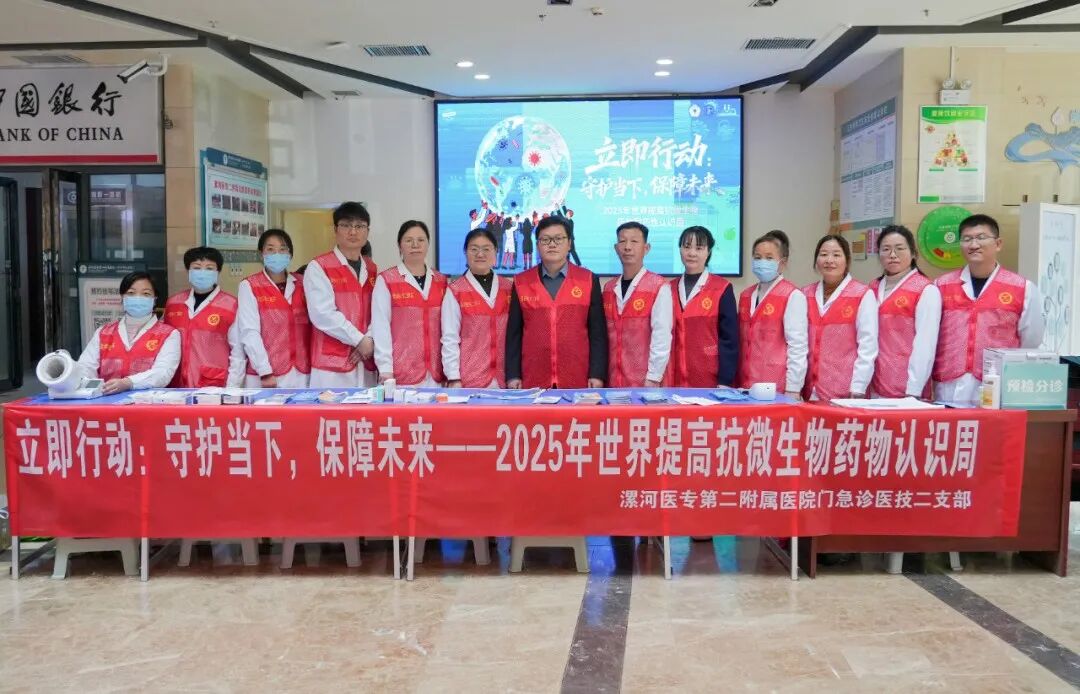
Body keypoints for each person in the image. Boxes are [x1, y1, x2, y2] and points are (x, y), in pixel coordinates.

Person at [933, 214, 1045, 403]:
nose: (973, 244)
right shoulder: (941, 285)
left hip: (997, 382)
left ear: (998, 244)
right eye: (967, 239)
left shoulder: (1021, 288)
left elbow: (1031, 340)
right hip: (949, 382)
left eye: (981, 237)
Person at [506, 216, 608, 389]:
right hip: (533, 376)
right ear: (538, 245)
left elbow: (597, 333)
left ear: (569, 244)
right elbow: (514, 334)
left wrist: (597, 374)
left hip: (578, 375)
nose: (552, 244)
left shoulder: (588, 280)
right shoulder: (522, 282)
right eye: (545, 239)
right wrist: (513, 374)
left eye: (558, 239)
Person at [304, 201, 378, 388]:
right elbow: (322, 314)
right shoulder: (319, 266)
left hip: (365, 359)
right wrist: (359, 340)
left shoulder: (372, 268)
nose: (353, 232)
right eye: (346, 225)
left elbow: (378, 311)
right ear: (335, 230)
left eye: (359, 226)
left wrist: (369, 339)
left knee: (367, 407)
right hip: (331, 365)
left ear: (367, 231)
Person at [370, 220, 448, 386]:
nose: (415, 245)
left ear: (428, 244)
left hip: (437, 372)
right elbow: (380, 326)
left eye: (421, 240)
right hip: (401, 372)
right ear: (399, 245)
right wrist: (385, 368)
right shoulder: (387, 280)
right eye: (408, 240)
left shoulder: (441, 281)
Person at [77, 271, 180, 394]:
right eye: (131, 293)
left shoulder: (168, 334)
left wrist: (128, 383)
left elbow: (163, 373)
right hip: (105, 401)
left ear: (154, 300)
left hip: (148, 402)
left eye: (146, 294)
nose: (138, 298)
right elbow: (85, 367)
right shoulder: (103, 333)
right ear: (122, 297)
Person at [802, 234, 878, 401]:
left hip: (846, 392)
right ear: (816, 260)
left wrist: (858, 388)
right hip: (809, 390)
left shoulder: (862, 294)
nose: (829, 260)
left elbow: (868, 346)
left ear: (847, 260)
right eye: (823, 254)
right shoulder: (805, 294)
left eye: (836, 255)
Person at [870, 225, 941, 398]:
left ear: (914, 253)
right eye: (886, 249)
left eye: (900, 248)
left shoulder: (925, 290)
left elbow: (925, 344)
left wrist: (914, 389)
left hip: (907, 385)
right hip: (873, 382)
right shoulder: (872, 288)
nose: (892, 255)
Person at [236, 229, 310, 389]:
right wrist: (265, 371)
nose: (277, 254)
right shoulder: (250, 285)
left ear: (290, 254)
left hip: (301, 371)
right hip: (266, 374)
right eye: (270, 249)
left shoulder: (302, 283)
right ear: (261, 254)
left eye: (282, 249)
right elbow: (250, 332)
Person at [737, 230, 807, 398]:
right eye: (757, 257)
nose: (762, 262)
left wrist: (793, 388)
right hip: (744, 384)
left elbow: (797, 346)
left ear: (782, 263)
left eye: (769, 258)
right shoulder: (746, 295)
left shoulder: (792, 295)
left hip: (776, 386)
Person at [164, 246, 245, 388]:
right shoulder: (174, 303)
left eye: (209, 268)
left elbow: (238, 353)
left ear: (218, 272)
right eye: (196, 267)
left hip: (213, 384)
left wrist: (231, 389)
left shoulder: (231, 305)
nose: (202, 272)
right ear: (188, 271)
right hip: (176, 384)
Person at [602, 222, 672, 387]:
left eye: (634, 241)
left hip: (645, 381)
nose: (627, 247)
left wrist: (654, 377)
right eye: (622, 241)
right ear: (616, 248)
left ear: (646, 248)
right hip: (613, 380)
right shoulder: (609, 288)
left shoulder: (658, 286)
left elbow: (661, 335)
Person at [668, 226, 739, 387]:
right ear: (680, 250)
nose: (692, 253)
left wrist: (724, 382)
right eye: (687, 247)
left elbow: (729, 340)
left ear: (709, 252)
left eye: (699, 248)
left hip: (709, 379)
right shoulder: (668, 289)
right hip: (673, 379)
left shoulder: (722, 288)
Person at [442, 228, 512, 388]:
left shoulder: (509, 288)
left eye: (486, 249)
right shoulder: (455, 290)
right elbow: (450, 338)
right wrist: (453, 377)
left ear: (496, 252)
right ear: (465, 252)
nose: (480, 254)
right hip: (469, 379)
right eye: (474, 249)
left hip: (505, 379)